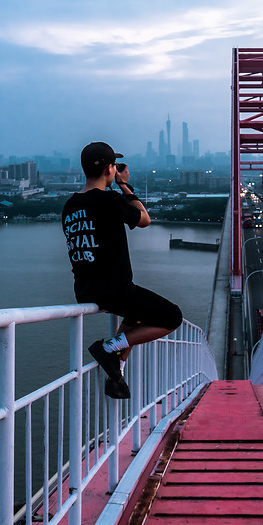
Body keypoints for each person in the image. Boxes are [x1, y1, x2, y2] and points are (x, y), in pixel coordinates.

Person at [62, 141, 182, 399]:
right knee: (172, 317)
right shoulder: (109, 199)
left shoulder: (69, 206)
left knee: (137, 317)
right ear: (109, 168)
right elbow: (145, 220)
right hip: (116, 290)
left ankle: (116, 374)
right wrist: (124, 184)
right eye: (114, 165)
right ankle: (109, 349)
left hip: (85, 291)